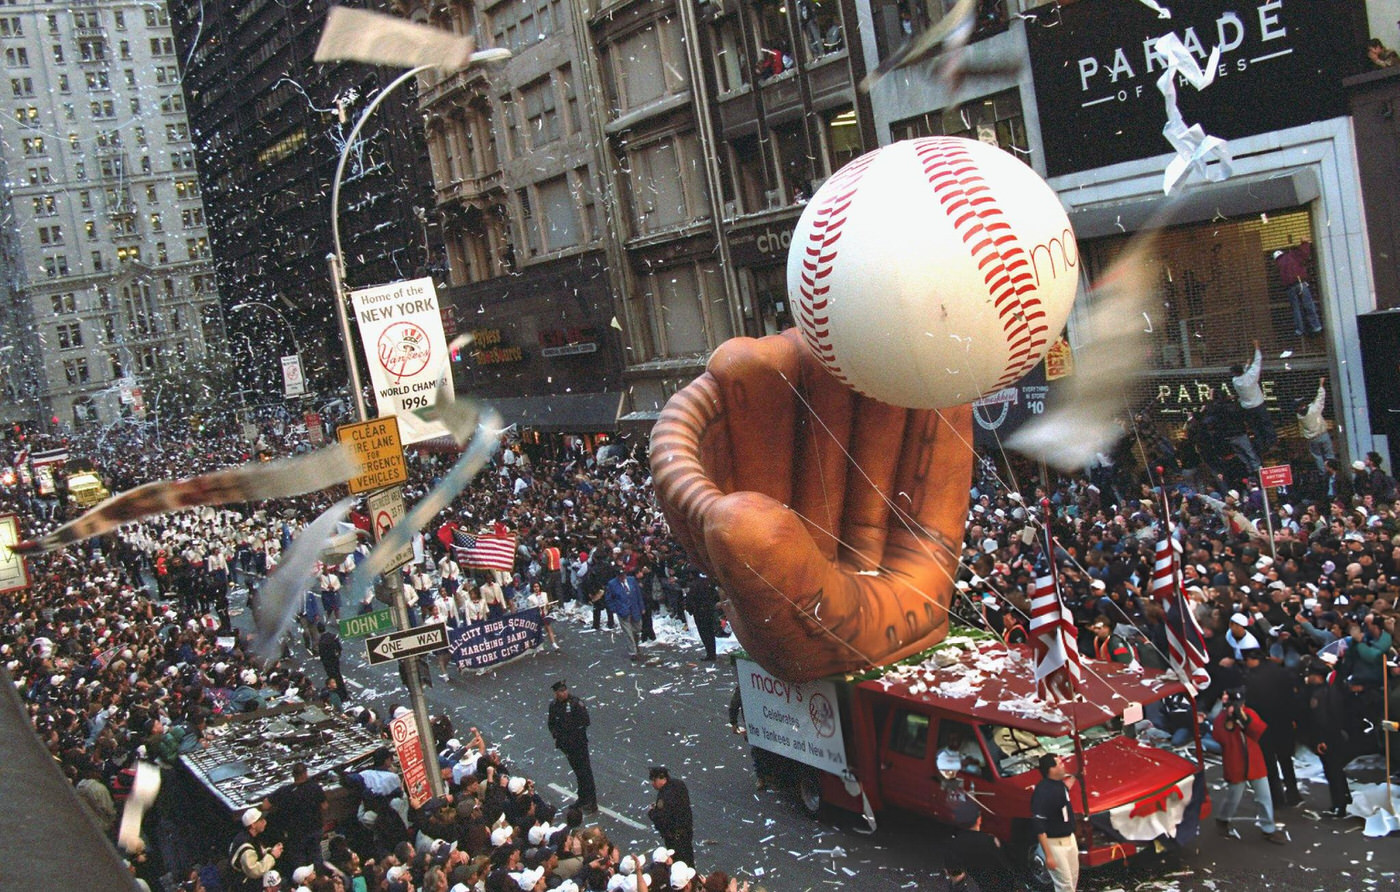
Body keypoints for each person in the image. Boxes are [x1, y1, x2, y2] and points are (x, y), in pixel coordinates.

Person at [1212, 689, 1284, 843]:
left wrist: (1244, 719)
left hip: (1255, 763)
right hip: (1236, 763)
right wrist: (1230, 722)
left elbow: (1258, 730)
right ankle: (1223, 819)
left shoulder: (1249, 713)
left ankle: (1268, 829)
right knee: (1233, 797)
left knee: (1265, 797)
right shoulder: (1221, 719)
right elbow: (1220, 738)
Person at [1242, 648, 1301, 807]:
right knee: (1285, 760)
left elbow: (1252, 703)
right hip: (1283, 723)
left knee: (1269, 763)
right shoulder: (1280, 672)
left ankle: (1277, 798)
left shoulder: (1253, 678)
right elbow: (1291, 697)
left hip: (1264, 725)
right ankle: (1293, 793)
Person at [264, 762, 328, 870]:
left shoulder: (285, 791)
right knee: (316, 855)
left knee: (299, 860)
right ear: (305, 773)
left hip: (296, 833)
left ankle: (302, 881)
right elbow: (325, 806)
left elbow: (265, 805)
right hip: (315, 829)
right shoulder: (315, 787)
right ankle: (319, 878)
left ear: (293, 775)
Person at [548, 680, 597, 813]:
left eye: (565, 690)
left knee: (585, 772)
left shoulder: (575, 703)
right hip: (566, 746)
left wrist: (574, 734)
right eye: (561, 691)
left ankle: (592, 801)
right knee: (578, 773)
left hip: (578, 744)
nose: (564, 693)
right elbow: (551, 724)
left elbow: (585, 721)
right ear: (556, 693)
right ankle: (583, 798)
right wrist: (557, 735)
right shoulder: (553, 706)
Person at [1029, 754, 1077, 892]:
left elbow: (1065, 790)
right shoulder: (1042, 793)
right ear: (1051, 769)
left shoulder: (1059, 784)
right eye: (1060, 764)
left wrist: (1075, 776)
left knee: (1073, 879)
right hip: (1054, 844)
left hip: (1069, 839)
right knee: (1064, 885)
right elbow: (1039, 826)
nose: (1063, 766)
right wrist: (1048, 855)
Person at [1230, 339, 1276, 456]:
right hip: (1259, 405)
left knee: (1255, 428)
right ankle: (1272, 443)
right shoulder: (1251, 377)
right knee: (1266, 424)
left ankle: (1261, 447)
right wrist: (1256, 347)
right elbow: (1258, 361)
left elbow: (1242, 375)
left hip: (1248, 409)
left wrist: (1247, 365)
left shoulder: (1235, 381)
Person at [648, 767, 694, 869]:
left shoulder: (663, 796)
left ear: (661, 778)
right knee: (689, 860)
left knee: (679, 864)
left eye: (654, 780)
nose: (653, 784)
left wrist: (652, 812)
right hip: (686, 831)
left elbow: (662, 819)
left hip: (674, 838)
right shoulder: (679, 784)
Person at [1273, 241, 1323, 336]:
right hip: (1300, 283)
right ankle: (1316, 326)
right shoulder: (1290, 256)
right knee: (1308, 305)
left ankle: (1300, 329)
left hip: (1289, 288)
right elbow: (1303, 253)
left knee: (1296, 309)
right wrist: (1305, 242)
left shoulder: (1278, 264)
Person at [230, 807, 283, 892]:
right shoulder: (245, 845)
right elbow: (254, 871)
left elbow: (257, 854)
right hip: (245, 886)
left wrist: (271, 851)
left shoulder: (250, 837)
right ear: (253, 825)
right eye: (261, 820)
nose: (265, 822)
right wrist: (272, 856)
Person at [1295, 377, 1335, 474]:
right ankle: (1333, 471)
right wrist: (1321, 384)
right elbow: (1320, 398)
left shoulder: (1299, 415)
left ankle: (1323, 473)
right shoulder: (1314, 409)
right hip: (1323, 435)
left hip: (1312, 439)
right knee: (1329, 455)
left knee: (1318, 457)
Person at [605, 567, 646, 661]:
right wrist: (615, 609)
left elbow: (638, 594)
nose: (623, 577)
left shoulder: (632, 580)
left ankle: (636, 646)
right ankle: (633, 652)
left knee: (637, 629)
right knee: (628, 632)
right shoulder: (612, 584)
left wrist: (642, 607)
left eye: (624, 575)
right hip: (622, 611)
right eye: (620, 576)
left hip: (634, 608)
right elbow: (609, 599)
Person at [685, 571, 720, 661]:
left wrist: (690, 610)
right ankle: (713, 653)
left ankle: (710, 654)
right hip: (709, 610)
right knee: (710, 632)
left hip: (699, 612)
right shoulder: (708, 583)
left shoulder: (693, 585)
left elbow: (690, 599)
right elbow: (715, 595)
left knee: (704, 633)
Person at [318, 623, 347, 700]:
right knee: (339, 676)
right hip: (335, 660)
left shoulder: (321, 642)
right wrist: (338, 654)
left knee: (334, 679)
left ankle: (340, 695)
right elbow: (339, 646)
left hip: (329, 663)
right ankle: (344, 693)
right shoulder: (332, 636)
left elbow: (323, 656)